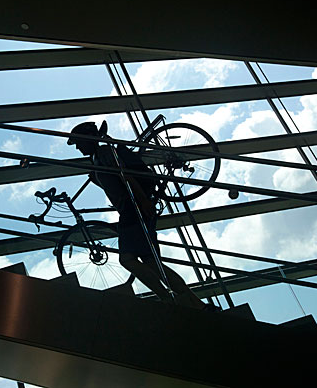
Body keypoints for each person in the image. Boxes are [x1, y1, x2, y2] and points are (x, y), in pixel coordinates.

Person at [67, 121, 217, 311]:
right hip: (133, 208)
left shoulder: (105, 153)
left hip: (133, 209)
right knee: (151, 262)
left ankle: (169, 299)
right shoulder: (98, 158)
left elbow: (126, 175)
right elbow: (114, 183)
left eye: (79, 143)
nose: (78, 148)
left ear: (88, 140)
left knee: (128, 259)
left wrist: (143, 201)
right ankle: (196, 305)